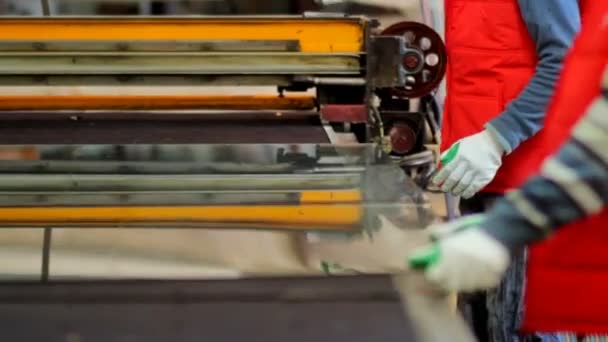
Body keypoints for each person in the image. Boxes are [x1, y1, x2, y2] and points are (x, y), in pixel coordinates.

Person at [414, 1, 608, 339]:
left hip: (525, 184)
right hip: (485, 179)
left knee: (518, 329)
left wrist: (497, 138)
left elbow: (566, 65)